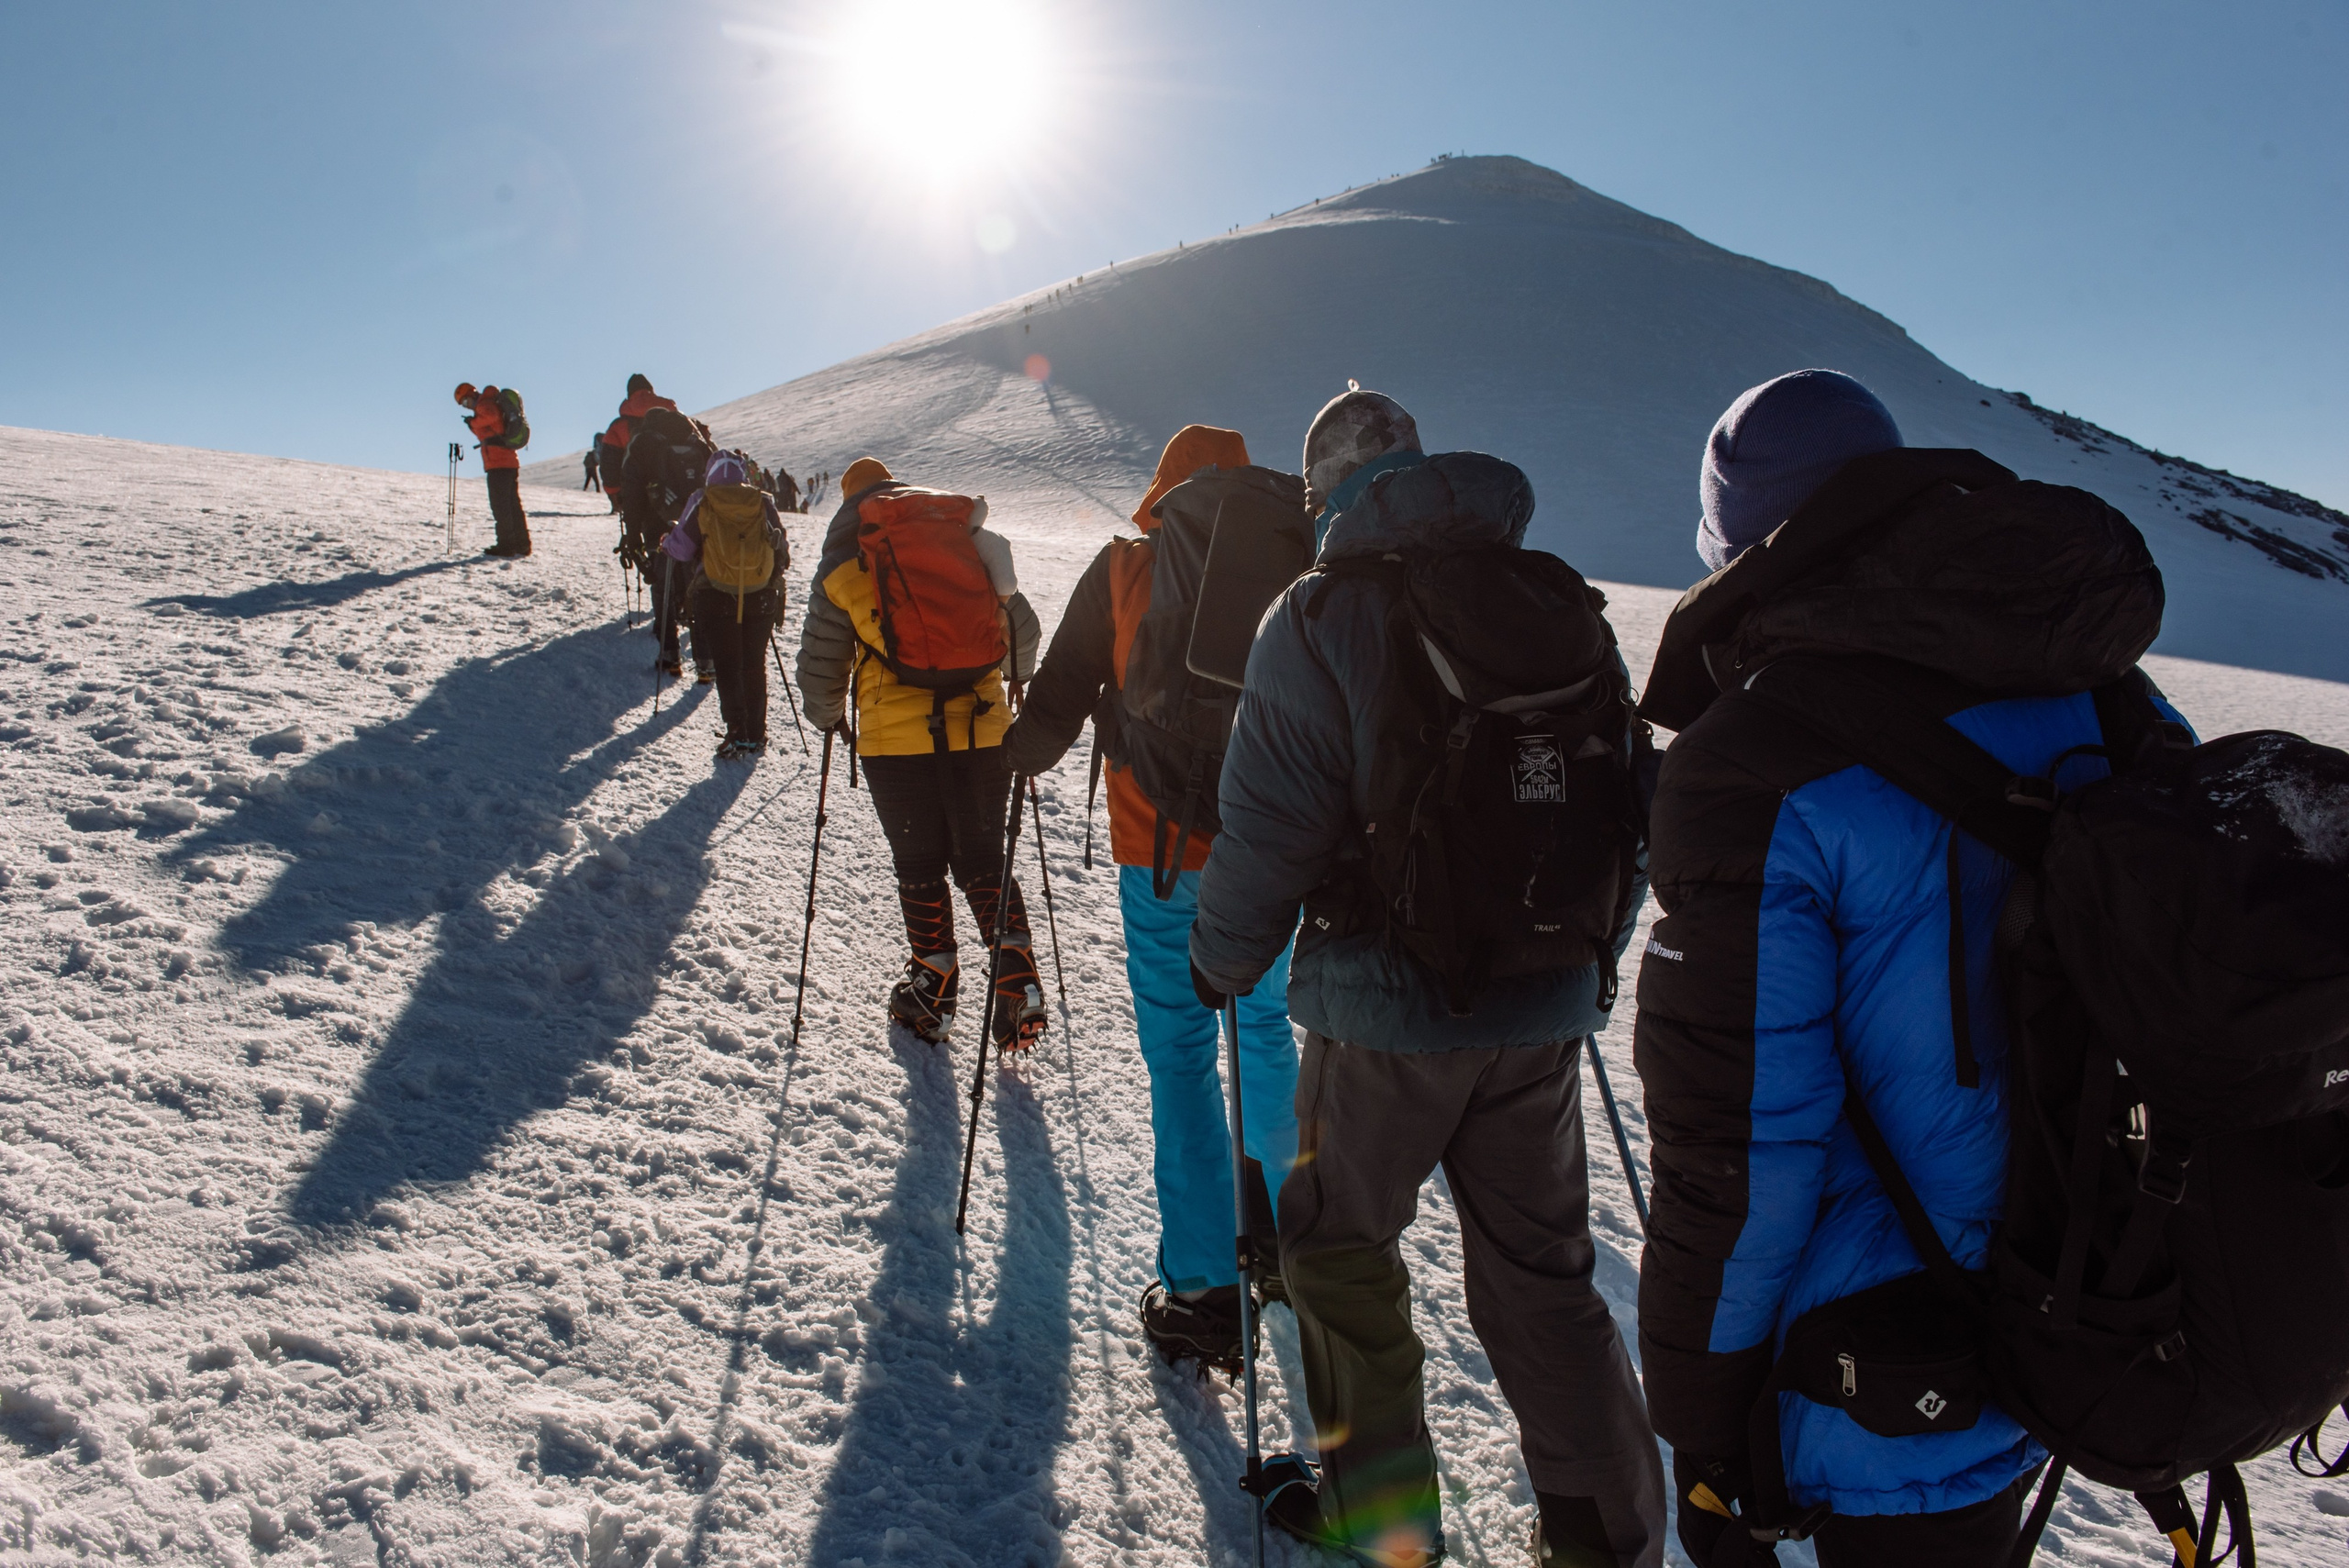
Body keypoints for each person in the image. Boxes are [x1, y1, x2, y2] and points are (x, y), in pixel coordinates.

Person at [1631, 370, 2174, 1567]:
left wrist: (1702, 1414)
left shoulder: (1757, 765)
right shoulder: (2106, 692)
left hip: (1867, 1364)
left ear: (1737, 546)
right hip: (2076, 1311)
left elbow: (1744, 1153)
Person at [1189, 390, 1666, 1568]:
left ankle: (1386, 1522)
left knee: (1338, 1251)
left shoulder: (1315, 614)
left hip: (1382, 1014)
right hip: (1542, 1007)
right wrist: (1579, 952)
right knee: (1544, 1270)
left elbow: (1270, 830)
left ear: (1324, 495)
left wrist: (1221, 958)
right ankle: (1604, 1531)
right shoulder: (1558, 601)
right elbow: (1631, 809)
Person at [1002, 424, 1300, 1370]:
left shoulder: (1128, 568)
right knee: (1264, 1039)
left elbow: (1055, 700)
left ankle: (1204, 1286)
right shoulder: (1299, 565)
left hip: (1159, 853)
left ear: (1163, 492)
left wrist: (1009, 762)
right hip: (1272, 851)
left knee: (1180, 1058)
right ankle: (1292, 1248)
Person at [796, 456, 1049, 1053]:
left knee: (921, 862)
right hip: (986, 732)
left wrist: (829, 715)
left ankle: (931, 987)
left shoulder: (848, 557)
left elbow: (822, 663)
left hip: (895, 744)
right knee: (985, 857)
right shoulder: (962, 542)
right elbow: (1026, 633)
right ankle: (1016, 979)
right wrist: (1009, 679)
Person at [662, 451, 791, 759]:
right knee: (753, 664)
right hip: (759, 595)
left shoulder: (702, 498)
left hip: (715, 594)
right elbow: (781, 545)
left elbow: (681, 549)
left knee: (728, 666)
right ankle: (756, 735)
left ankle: (737, 732)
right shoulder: (762, 500)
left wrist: (666, 540)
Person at [454, 383, 530, 557]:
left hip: (498, 464)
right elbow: (489, 431)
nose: (467, 407)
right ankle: (522, 544)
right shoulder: (487, 402)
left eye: (465, 402)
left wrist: (473, 422)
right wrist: (473, 425)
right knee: (512, 506)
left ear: (471, 395)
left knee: (501, 507)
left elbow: (490, 416)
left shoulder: (484, 404)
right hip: (507, 462)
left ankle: (507, 545)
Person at [601, 373, 674, 516]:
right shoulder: (674, 416)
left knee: (643, 532)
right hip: (676, 488)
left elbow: (609, 462)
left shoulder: (618, 426)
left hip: (635, 491)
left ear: (629, 395)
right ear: (651, 390)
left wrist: (614, 492)